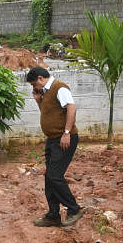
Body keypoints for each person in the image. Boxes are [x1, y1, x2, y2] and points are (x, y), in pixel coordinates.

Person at [26, 66, 82, 227]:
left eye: (33, 84)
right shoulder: (45, 93)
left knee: (54, 176)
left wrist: (66, 132)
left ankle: (74, 209)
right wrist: (39, 101)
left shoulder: (59, 88)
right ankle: (53, 215)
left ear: (40, 79)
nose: (34, 88)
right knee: (49, 178)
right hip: (53, 139)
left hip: (64, 139)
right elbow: (47, 113)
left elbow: (71, 107)